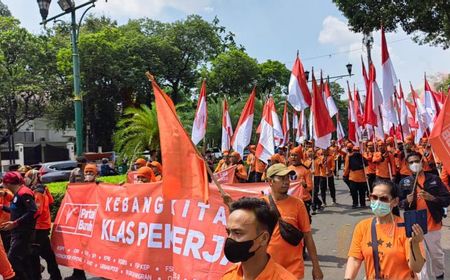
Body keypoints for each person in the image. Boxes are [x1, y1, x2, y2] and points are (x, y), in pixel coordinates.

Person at [345, 180, 425, 280]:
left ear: (395, 201)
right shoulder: (362, 227)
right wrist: (348, 278)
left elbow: (417, 268)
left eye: (383, 199)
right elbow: (355, 258)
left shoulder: (406, 227)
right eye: (374, 197)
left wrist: (415, 244)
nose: (378, 202)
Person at [263, 163, 323, 280]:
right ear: (270, 182)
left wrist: (316, 266)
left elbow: (308, 236)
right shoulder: (261, 205)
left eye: (287, 178)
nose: (286, 182)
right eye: (281, 178)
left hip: (293, 269)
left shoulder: (298, 204)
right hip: (268, 268)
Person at [399, 152, 450, 280]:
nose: (414, 164)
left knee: (436, 255)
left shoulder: (434, 179)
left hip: (433, 225)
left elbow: (446, 199)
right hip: (414, 226)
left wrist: (431, 198)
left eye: (417, 161)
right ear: (407, 165)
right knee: (420, 256)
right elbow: (398, 203)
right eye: (411, 162)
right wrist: (406, 201)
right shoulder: (404, 182)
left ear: (422, 162)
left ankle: (439, 275)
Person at [221, 197, 296, 280]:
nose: (230, 238)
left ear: (264, 238)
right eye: (228, 232)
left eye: (238, 233)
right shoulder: (228, 276)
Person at [25, 170, 62, 280]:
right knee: (47, 253)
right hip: (43, 225)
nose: (25, 179)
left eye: (27, 177)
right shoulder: (44, 188)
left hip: (38, 226)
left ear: (34, 177)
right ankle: (55, 275)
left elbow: (37, 210)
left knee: (34, 254)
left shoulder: (37, 191)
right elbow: (51, 201)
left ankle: (37, 275)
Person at [0, 171, 37, 280]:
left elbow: (33, 211)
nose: (3, 185)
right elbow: (16, 210)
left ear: (8, 183)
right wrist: (2, 207)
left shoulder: (23, 193)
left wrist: (15, 223)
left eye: (4, 183)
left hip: (23, 231)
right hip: (18, 231)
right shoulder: (18, 193)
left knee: (13, 258)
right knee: (24, 259)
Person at [65, 165, 100, 280]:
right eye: (87, 172)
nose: (88, 174)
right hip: (83, 223)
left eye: (91, 172)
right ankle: (78, 273)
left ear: (96, 174)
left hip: (96, 224)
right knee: (79, 249)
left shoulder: (101, 186)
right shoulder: (79, 187)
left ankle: (108, 273)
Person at [287, 147, 313, 223]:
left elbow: (310, 187)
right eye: (291, 155)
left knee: (305, 221)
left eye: (295, 155)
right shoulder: (287, 169)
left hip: (304, 200)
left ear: (300, 157)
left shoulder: (306, 170)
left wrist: (304, 185)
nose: (293, 157)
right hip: (291, 199)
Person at [0, 184, 13, 253]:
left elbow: (11, 197)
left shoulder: (5, 191)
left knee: (6, 246)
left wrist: (4, 194)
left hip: (5, 224)